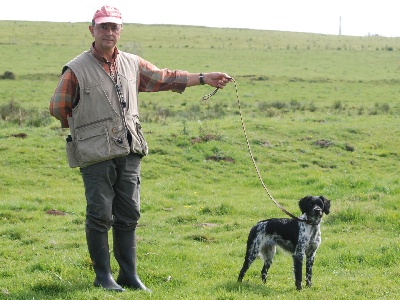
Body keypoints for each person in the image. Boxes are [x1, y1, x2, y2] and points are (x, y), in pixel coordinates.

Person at [49, 5, 231, 293]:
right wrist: (87, 130)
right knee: (100, 214)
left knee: (130, 213)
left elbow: (164, 77)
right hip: (95, 155)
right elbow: (58, 107)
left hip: (130, 149)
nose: (109, 32)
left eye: (114, 27)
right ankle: (102, 277)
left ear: (120, 31)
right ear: (92, 30)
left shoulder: (132, 63)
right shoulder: (76, 69)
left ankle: (128, 276)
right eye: (103, 27)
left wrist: (203, 77)